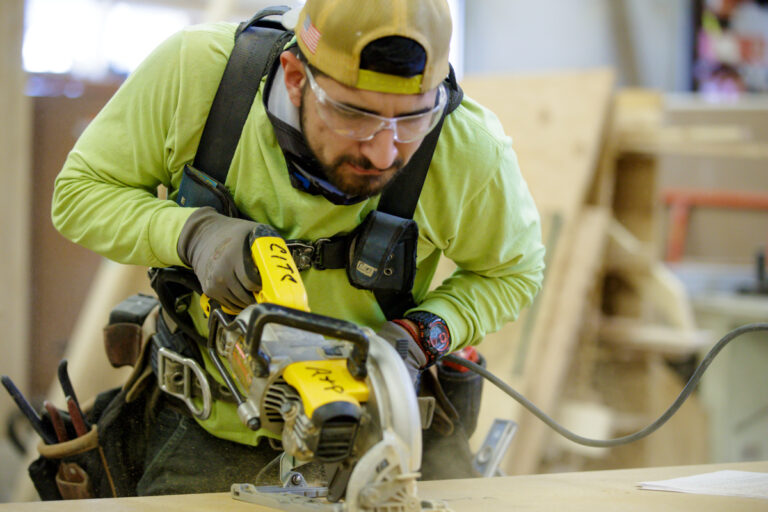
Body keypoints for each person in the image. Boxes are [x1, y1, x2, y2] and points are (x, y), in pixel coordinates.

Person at [50, 0, 545, 497]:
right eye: (355, 115)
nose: (383, 150)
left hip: (371, 436)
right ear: (294, 76)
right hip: (207, 423)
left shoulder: (465, 147)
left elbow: (513, 273)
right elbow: (79, 193)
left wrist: (420, 335)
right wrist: (190, 233)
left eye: (414, 120)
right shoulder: (201, 77)